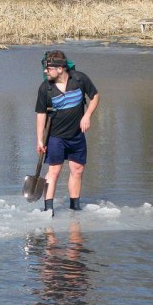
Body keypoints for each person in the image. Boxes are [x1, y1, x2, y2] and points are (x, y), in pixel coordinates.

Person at [35, 50, 99, 215]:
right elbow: (41, 114)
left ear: (60, 68)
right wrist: (40, 139)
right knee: (54, 171)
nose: (45, 71)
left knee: (77, 169)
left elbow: (95, 96)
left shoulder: (79, 79)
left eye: (48, 68)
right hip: (55, 137)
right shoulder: (45, 89)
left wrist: (87, 115)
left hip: (77, 136)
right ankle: (48, 208)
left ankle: (75, 207)